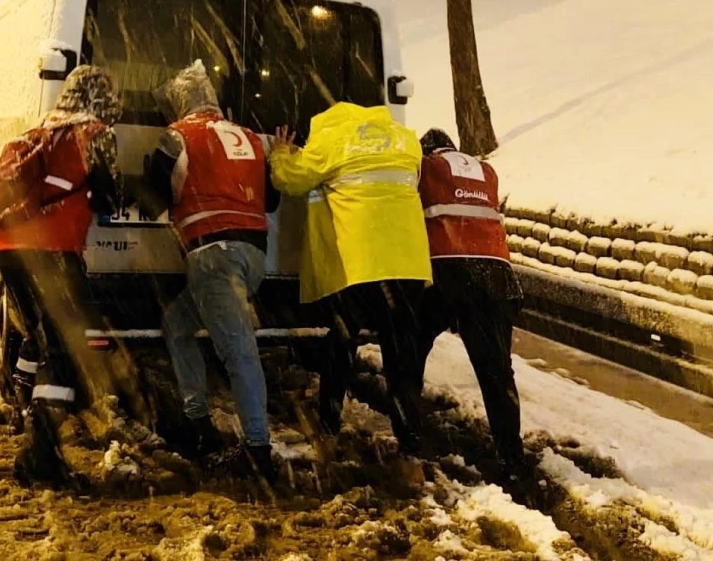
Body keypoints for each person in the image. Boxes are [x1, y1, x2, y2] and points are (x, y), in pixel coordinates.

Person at [139, 61, 281, 481]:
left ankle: (258, 452)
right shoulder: (250, 138)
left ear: (181, 100)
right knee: (177, 325)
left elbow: (154, 197)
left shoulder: (179, 135)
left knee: (239, 353)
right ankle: (197, 420)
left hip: (211, 256)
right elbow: (270, 201)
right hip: (253, 256)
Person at [0, 65, 122, 487]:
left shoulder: (37, 131)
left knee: (38, 336)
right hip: (54, 250)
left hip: (9, 249)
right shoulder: (96, 134)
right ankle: (40, 454)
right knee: (63, 351)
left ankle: (23, 408)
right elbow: (108, 199)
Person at [268, 101, 432, 453]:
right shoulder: (406, 140)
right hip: (409, 265)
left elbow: (290, 180)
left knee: (340, 344)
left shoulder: (333, 141)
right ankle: (411, 444)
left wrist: (282, 153)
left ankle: (328, 426)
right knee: (402, 356)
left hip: (361, 263)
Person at [416, 128, 526, 471]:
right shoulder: (486, 171)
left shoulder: (425, 167)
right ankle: (512, 454)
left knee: (410, 345)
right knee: (497, 372)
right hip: (497, 275)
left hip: (447, 270)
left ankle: (411, 433)